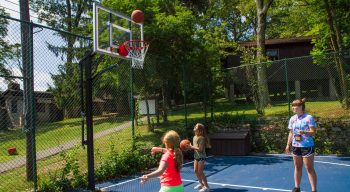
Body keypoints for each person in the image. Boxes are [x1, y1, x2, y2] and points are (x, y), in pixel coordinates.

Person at [284, 98, 317, 192]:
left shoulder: (309, 117)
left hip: (307, 146)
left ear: (301, 107)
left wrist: (305, 132)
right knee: (297, 167)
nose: (293, 107)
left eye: (295, 105)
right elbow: (291, 132)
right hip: (295, 146)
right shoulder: (292, 118)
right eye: (293, 105)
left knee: (309, 168)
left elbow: (313, 132)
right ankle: (297, 187)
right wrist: (287, 145)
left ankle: (314, 190)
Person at [188, 123, 210, 192]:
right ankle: (201, 184)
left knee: (200, 172)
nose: (194, 127)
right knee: (195, 171)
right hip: (196, 156)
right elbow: (195, 147)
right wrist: (189, 147)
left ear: (200, 130)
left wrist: (191, 147)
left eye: (196, 127)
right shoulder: (194, 137)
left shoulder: (201, 138)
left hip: (201, 157)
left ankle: (207, 187)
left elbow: (200, 149)